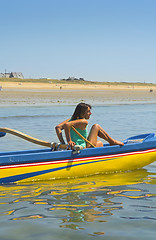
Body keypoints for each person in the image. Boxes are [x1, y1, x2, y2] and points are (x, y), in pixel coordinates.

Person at [55, 103, 124, 149]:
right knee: (96, 126)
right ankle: (112, 142)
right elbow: (67, 125)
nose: (90, 113)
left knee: (100, 143)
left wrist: (63, 143)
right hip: (82, 147)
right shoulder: (83, 121)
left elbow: (58, 127)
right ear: (82, 113)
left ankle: (109, 144)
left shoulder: (71, 120)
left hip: (75, 147)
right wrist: (69, 141)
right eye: (88, 111)